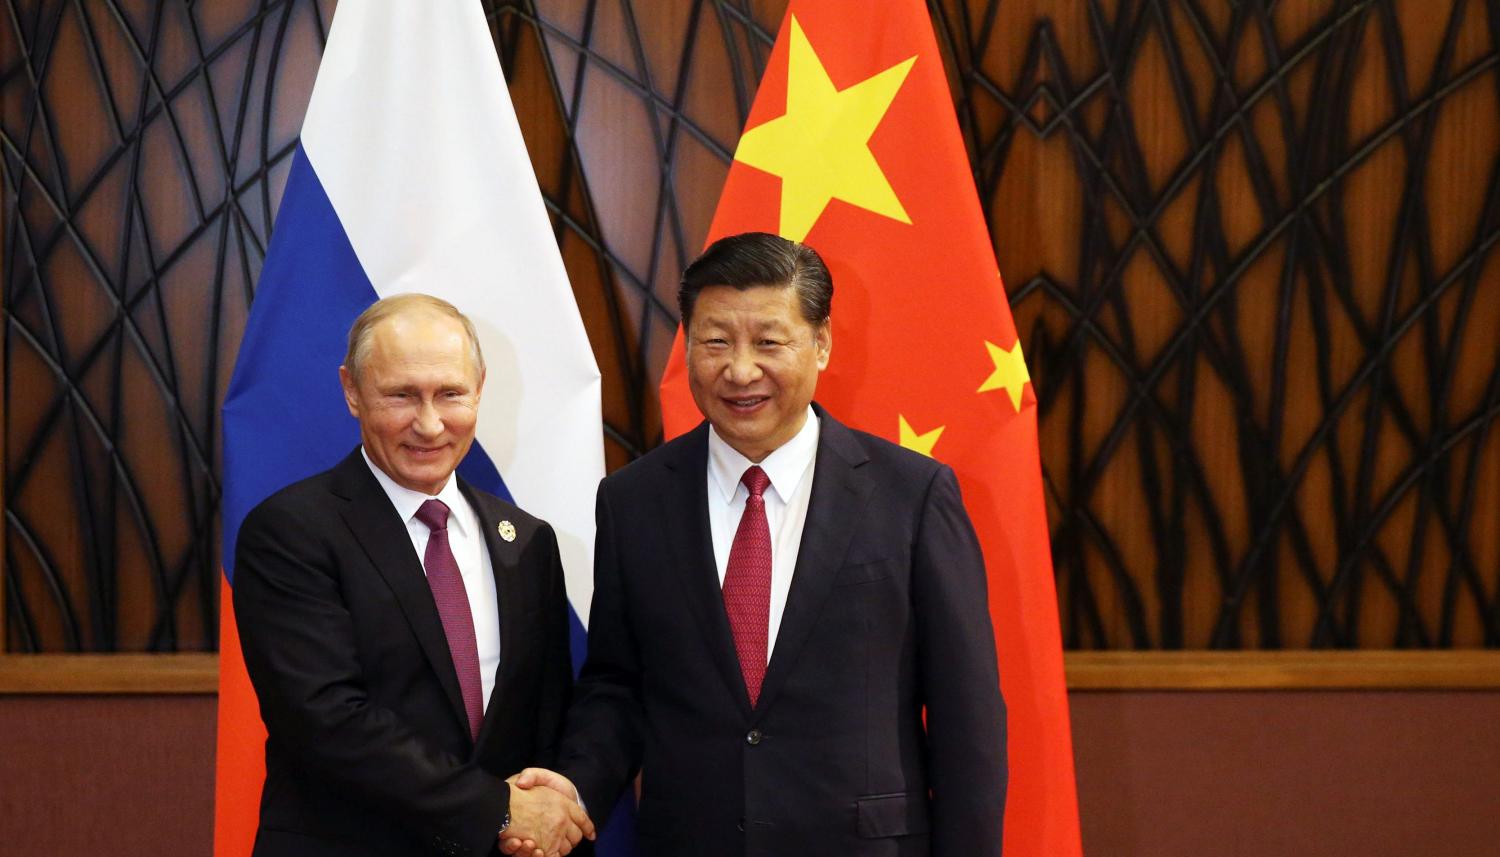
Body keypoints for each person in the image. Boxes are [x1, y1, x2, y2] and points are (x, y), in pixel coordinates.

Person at [514, 232, 1008, 855]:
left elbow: (968, 718)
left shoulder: (911, 495)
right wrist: (574, 791)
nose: (740, 369)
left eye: (769, 342)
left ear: (822, 343)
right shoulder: (634, 499)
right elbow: (619, 685)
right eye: (715, 341)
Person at [233, 294, 594, 857]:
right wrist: (496, 809)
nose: (429, 424)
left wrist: (549, 811)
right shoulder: (290, 533)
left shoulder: (525, 541)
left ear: (479, 389)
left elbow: (545, 717)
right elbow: (326, 721)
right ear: (352, 391)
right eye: (401, 395)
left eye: (450, 394)